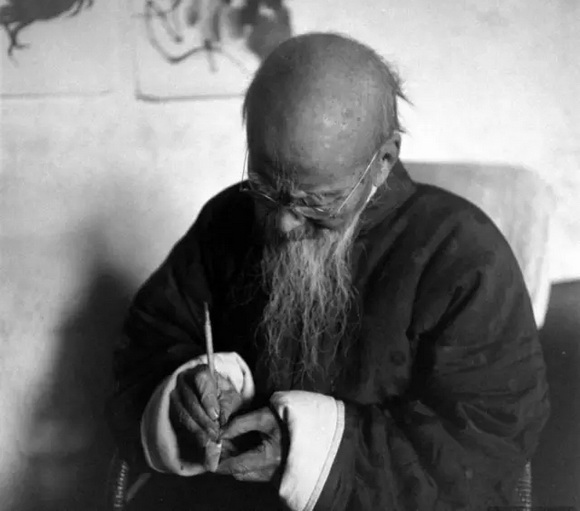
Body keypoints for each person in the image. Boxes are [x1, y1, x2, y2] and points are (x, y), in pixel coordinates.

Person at [107, 32, 550, 511]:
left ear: (383, 161)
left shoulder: (462, 254)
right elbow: (145, 348)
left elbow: (486, 451)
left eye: (316, 201)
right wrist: (188, 392)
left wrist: (310, 452)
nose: (283, 223)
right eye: (265, 185)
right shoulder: (227, 220)